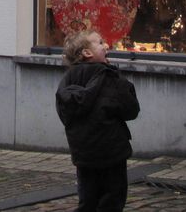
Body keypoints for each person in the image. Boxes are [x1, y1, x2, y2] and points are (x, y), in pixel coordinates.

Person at [55, 30, 139, 212]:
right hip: (112, 152)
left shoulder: (68, 79)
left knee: (88, 199)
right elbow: (131, 108)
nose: (106, 45)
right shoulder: (109, 77)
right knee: (112, 199)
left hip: (84, 153)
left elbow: (64, 112)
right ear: (87, 53)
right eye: (100, 42)